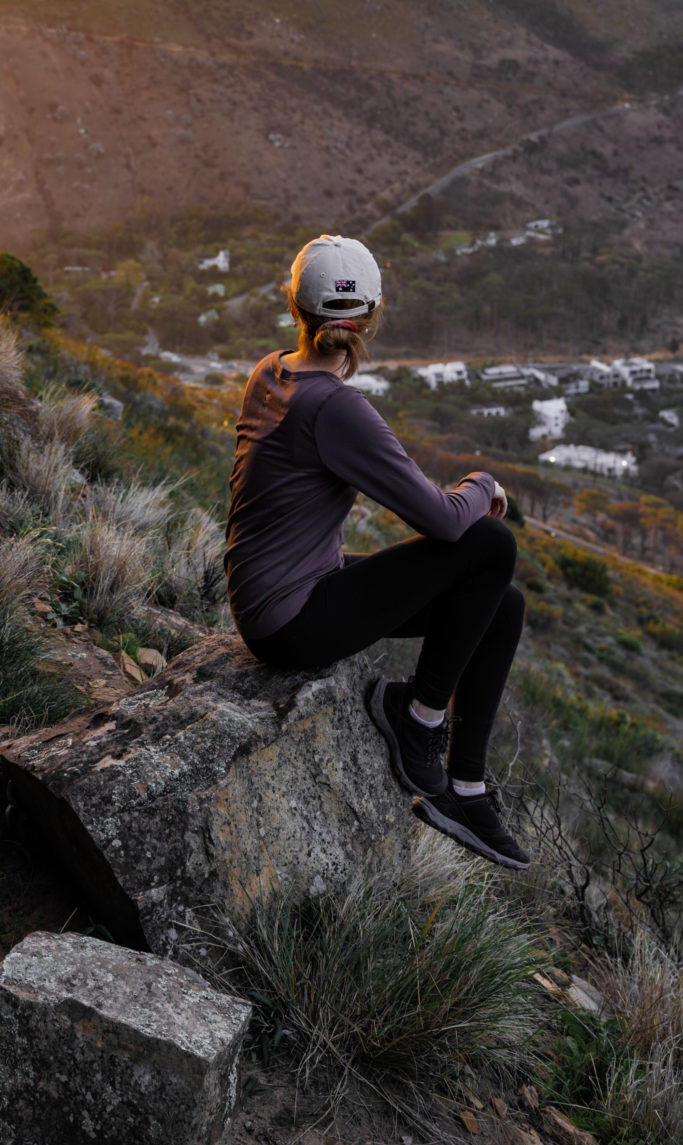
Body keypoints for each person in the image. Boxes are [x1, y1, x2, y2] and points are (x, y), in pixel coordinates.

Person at [225, 232, 529, 869]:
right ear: (372, 315)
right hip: (293, 622)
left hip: (278, 599)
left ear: (295, 307)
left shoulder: (272, 372)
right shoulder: (335, 407)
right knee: (490, 542)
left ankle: (466, 786)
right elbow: (446, 523)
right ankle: (418, 720)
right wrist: (483, 484)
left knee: (501, 605)